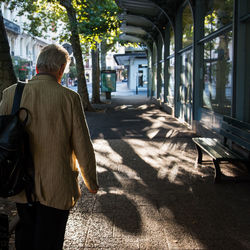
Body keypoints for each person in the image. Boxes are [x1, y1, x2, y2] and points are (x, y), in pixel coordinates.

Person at [0, 44, 99, 250]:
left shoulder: (11, 93)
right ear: (61, 69)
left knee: (25, 235)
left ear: (37, 67)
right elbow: (83, 144)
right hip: (57, 185)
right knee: (50, 239)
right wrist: (91, 181)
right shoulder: (69, 98)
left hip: (20, 182)